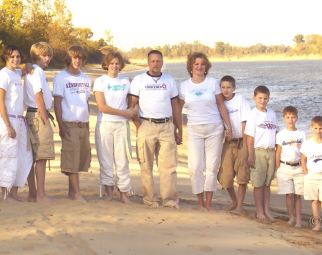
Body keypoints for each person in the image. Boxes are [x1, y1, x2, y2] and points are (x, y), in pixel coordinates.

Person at [178, 52, 232, 211]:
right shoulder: (184, 86)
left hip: (214, 128)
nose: (199, 67)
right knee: (195, 166)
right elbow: (178, 108)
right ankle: (199, 202)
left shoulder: (213, 83)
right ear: (191, 66)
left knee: (212, 166)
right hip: (194, 129)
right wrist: (178, 128)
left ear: (206, 66)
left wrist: (228, 126)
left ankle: (208, 203)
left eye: (202, 64)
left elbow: (221, 105)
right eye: (196, 64)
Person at [130, 50, 182, 208]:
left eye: (158, 61)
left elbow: (175, 106)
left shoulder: (169, 80)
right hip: (147, 124)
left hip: (166, 126)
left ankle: (170, 200)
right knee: (146, 165)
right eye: (152, 61)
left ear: (162, 62)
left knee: (169, 166)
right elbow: (132, 106)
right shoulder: (139, 80)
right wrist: (139, 127)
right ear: (148, 62)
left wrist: (178, 128)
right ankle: (150, 199)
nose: (155, 64)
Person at [94, 51, 137, 204]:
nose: (114, 66)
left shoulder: (126, 82)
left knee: (122, 160)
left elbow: (136, 100)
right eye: (111, 63)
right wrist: (124, 112)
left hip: (121, 126)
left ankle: (124, 193)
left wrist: (133, 111)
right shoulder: (100, 81)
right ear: (106, 64)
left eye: (117, 63)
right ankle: (109, 193)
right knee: (106, 160)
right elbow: (102, 107)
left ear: (121, 65)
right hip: (105, 124)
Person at [0, 44, 33, 202]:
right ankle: (5, 193)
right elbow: (0, 102)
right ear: (6, 58)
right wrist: (8, 125)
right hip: (7, 120)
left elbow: (25, 68)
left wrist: (30, 64)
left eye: (18, 56)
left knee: (24, 156)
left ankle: (15, 191)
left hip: (20, 120)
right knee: (9, 156)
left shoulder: (17, 73)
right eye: (12, 57)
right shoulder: (3, 75)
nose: (16, 59)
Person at [53, 46, 92, 202]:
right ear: (69, 59)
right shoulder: (61, 78)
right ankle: (77, 194)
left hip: (83, 124)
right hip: (69, 124)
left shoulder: (86, 79)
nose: (78, 61)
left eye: (81, 58)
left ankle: (71, 192)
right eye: (75, 58)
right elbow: (57, 102)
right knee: (71, 159)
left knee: (80, 160)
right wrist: (61, 125)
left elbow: (86, 102)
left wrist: (88, 124)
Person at [24, 42, 57, 202]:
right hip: (37, 114)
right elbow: (39, 97)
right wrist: (45, 119)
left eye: (49, 55)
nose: (48, 58)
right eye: (45, 55)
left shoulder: (31, 71)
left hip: (30, 114)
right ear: (37, 56)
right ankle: (40, 195)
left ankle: (33, 192)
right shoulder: (38, 72)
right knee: (41, 156)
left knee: (33, 155)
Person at [217, 75, 251, 214]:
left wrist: (245, 144)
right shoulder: (218, 102)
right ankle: (234, 200)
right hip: (228, 143)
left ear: (234, 88)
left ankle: (239, 206)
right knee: (226, 175)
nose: (226, 90)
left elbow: (245, 122)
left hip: (241, 141)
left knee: (242, 175)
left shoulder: (240, 100)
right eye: (223, 87)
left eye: (228, 87)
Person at [245, 85, 277, 220]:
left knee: (267, 183)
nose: (262, 101)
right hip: (258, 152)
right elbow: (249, 136)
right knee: (258, 183)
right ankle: (259, 211)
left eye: (265, 98)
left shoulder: (272, 113)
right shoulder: (253, 114)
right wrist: (250, 155)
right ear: (254, 98)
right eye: (260, 98)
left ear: (268, 99)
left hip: (271, 151)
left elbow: (276, 132)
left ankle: (267, 210)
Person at [301, 116, 322, 233]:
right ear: (311, 128)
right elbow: (303, 160)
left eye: (320, 128)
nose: (318, 131)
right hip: (311, 176)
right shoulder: (308, 144)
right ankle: (317, 225)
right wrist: (306, 174)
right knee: (314, 201)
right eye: (315, 128)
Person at [275, 106, 306, 226]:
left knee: (297, 195)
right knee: (289, 194)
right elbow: (278, 152)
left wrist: (305, 169)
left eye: (293, 117)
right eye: (288, 117)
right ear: (283, 119)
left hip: (298, 167)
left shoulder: (301, 134)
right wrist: (278, 168)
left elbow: (304, 153)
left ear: (297, 118)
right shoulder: (281, 134)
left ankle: (298, 220)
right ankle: (291, 218)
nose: (290, 120)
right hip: (285, 167)